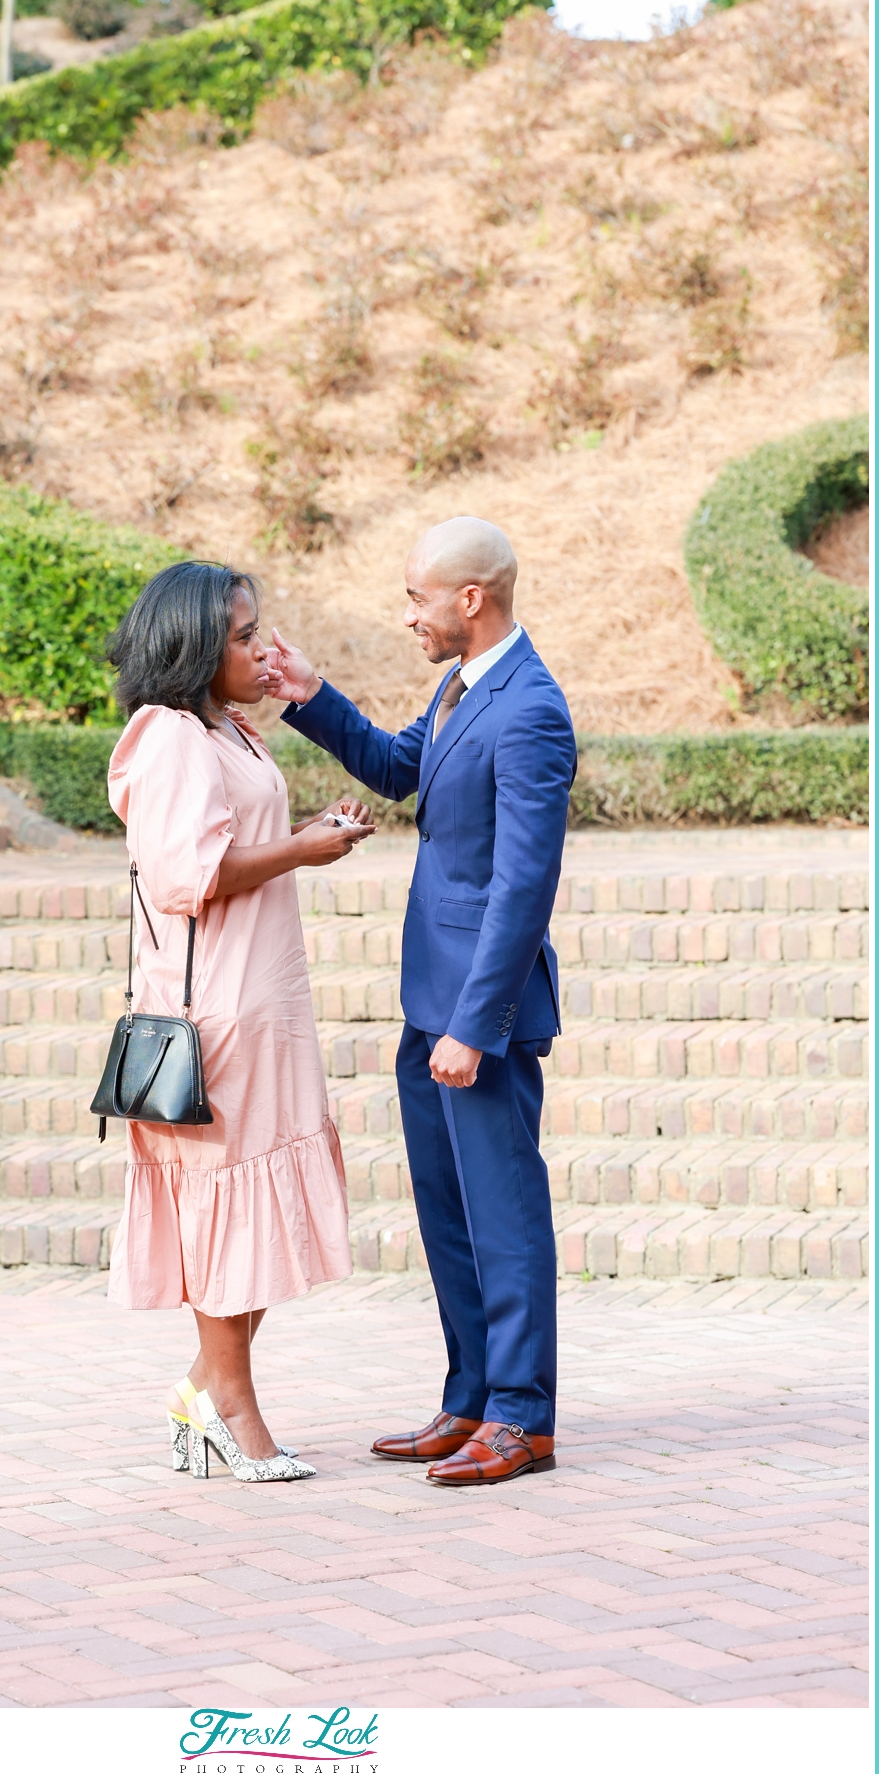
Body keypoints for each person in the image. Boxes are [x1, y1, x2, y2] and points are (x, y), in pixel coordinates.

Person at [263, 516, 576, 1488]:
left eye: (417, 598)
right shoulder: (458, 685)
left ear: (469, 600)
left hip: (477, 1015)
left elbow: (525, 886)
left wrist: (473, 1029)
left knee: (504, 1209)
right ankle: (471, 1395)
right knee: (449, 1210)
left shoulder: (530, 709)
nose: (409, 616)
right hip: (427, 1000)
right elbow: (402, 770)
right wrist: (311, 698)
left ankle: (524, 1416)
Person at [105, 560, 374, 1485]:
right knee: (228, 1216)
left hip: (265, 1003)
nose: (261, 649)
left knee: (256, 1214)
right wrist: (305, 849)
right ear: (192, 646)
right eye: (243, 635)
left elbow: (236, 844)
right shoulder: (170, 736)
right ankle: (231, 1408)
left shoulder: (229, 729)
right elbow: (191, 875)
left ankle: (199, 1391)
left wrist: (311, 830)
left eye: (259, 631)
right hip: (214, 1010)